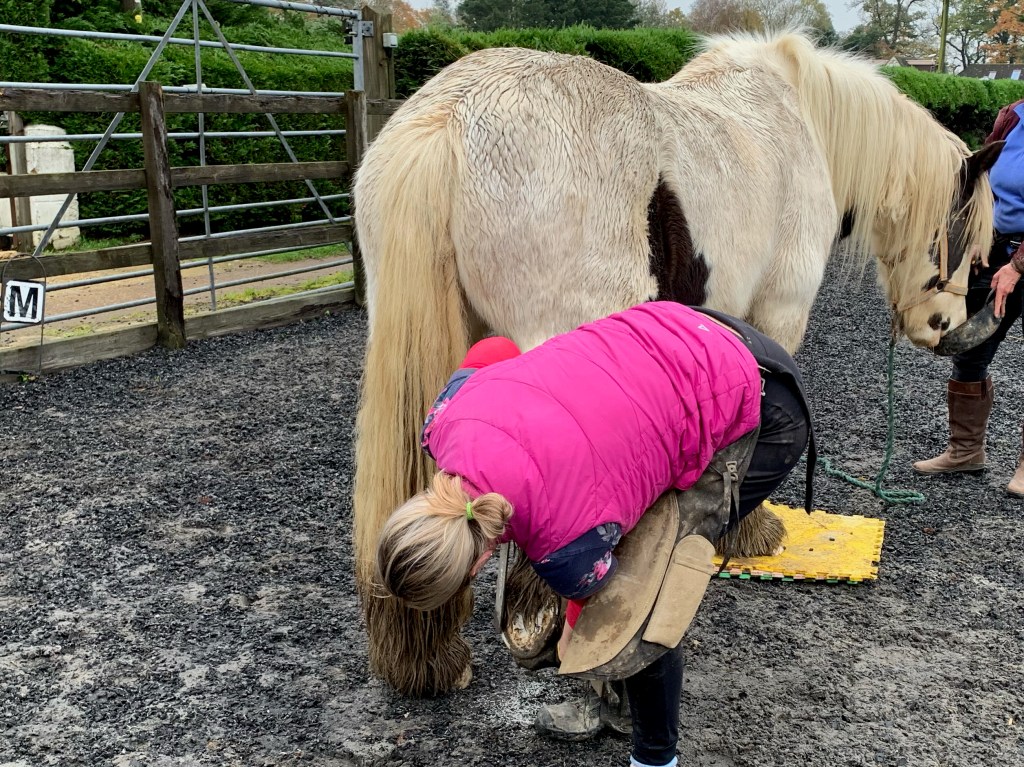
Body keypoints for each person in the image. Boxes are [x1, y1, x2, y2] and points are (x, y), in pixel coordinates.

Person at [376, 301, 812, 767]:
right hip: (682, 325)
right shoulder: (442, 421)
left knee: (648, 604)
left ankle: (654, 758)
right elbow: (494, 348)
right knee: (628, 501)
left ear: (474, 568)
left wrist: (574, 633)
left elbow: (595, 588)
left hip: (766, 407)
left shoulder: (563, 550)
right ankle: (622, 704)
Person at [913, 99, 1024, 495]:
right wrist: (979, 231)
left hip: (1017, 260)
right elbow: (980, 178)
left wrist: (1018, 266)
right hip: (996, 250)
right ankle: (965, 451)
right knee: (969, 349)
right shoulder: (1013, 116)